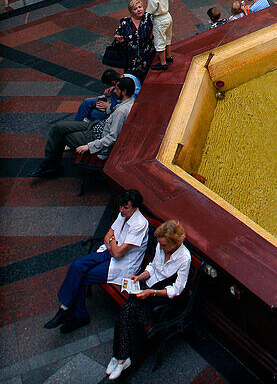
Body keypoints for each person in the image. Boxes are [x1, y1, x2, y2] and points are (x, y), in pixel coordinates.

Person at [45, 189, 149, 334]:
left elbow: (119, 254)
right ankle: (64, 308)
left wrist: (112, 243)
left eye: (125, 207)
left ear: (135, 207)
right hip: (107, 253)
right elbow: (108, 237)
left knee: (81, 277)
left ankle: (78, 315)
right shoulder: (123, 214)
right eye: (120, 206)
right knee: (76, 266)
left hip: (123, 264)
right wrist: (114, 244)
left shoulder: (140, 224)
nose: (121, 210)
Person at [104, 220, 191, 381]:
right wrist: (139, 277)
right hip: (147, 290)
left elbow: (177, 290)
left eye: (164, 245)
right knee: (128, 315)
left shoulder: (184, 258)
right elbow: (152, 267)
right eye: (160, 244)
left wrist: (152, 293)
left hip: (161, 301)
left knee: (127, 313)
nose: (161, 247)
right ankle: (124, 359)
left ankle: (120, 357)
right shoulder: (160, 246)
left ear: (174, 243)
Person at [34, 76, 137, 179]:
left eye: (117, 89)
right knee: (59, 127)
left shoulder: (121, 112)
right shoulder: (128, 102)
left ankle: (51, 165)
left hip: (94, 136)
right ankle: (51, 163)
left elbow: (111, 138)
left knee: (63, 136)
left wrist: (88, 146)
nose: (115, 91)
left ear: (124, 92)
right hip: (96, 126)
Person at [74, 69, 140, 124]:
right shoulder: (126, 77)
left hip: (113, 107)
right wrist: (113, 89)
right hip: (112, 101)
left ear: (113, 82)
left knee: (93, 114)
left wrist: (108, 106)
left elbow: (125, 102)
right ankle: (76, 124)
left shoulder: (130, 85)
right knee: (87, 102)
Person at [111, 0, 154, 78]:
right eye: (135, 9)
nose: (138, 10)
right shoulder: (124, 22)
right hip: (130, 59)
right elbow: (117, 33)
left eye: (140, 7)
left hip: (147, 57)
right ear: (131, 12)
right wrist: (118, 38)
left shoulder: (148, 18)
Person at [146, 0, 173, 71]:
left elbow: (151, 9)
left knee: (159, 41)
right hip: (168, 16)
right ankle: (168, 56)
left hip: (159, 19)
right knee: (168, 37)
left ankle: (163, 63)